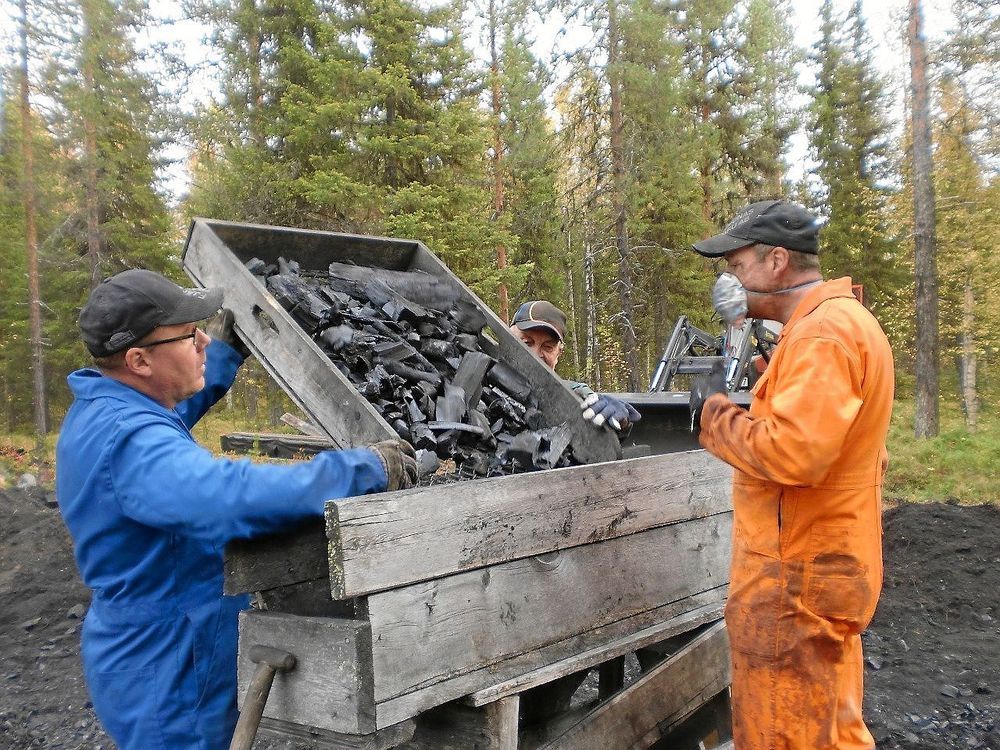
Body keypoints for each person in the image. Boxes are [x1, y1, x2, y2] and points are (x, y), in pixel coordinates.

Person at [56, 269, 417, 750]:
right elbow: (227, 497)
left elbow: (163, 419)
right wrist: (359, 471)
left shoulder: (110, 409)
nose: (202, 339)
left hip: (161, 641)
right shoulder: (128, 442)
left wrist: (221, 361)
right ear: (139, 359)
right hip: (171, 664)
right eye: (188, 335)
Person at [688, 199, 894, 749]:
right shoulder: (837, 324)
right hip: (828, 564)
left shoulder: (822, 336)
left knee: (784, 731)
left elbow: (794, 455)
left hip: (796, 579)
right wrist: (772, 390)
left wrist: (715, 416)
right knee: (829, 727)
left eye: (736, 267)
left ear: (776, 260)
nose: (729, 280)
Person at [509, 299, 640, 432]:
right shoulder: (488, 375)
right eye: (526, 343)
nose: (535, 355)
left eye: (547, 347)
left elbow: (601, 435)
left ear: (558, 354)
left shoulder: (573, 393)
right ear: (509, 340)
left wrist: (619, 421)